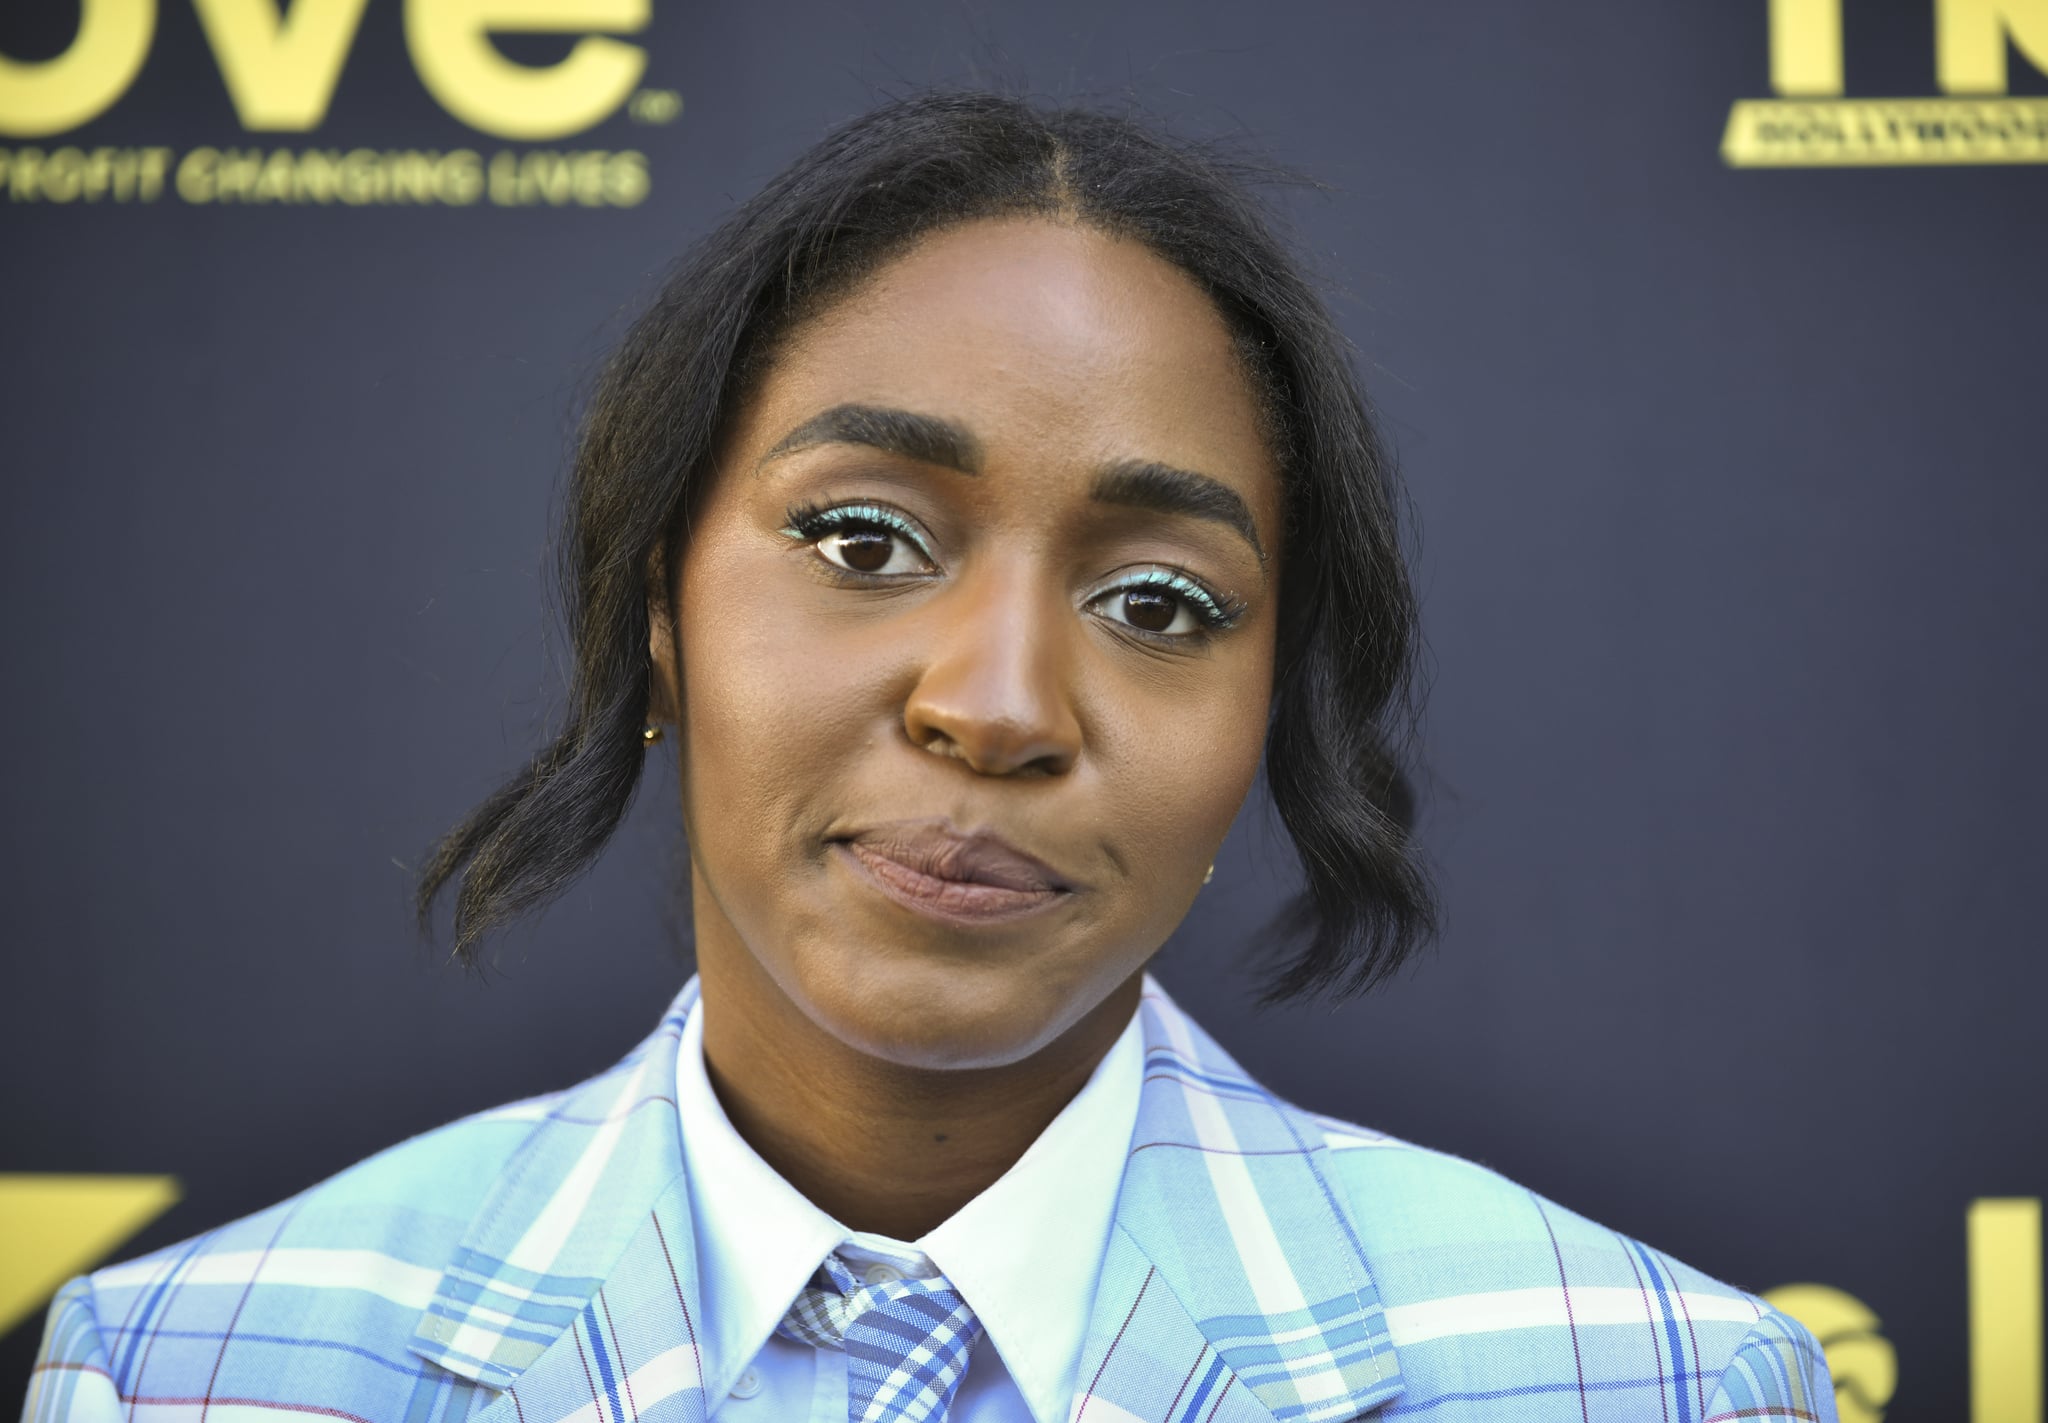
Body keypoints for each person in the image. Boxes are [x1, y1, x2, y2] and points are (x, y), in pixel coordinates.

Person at [21, 91, 1834, 1423]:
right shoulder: (212, 1369)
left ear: (1271, 712)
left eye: (1157, 601)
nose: (1001, 704)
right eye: (866, 543)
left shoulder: (1632, 1380)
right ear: (658, 607)